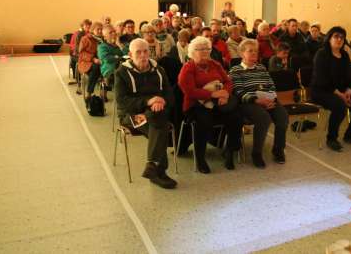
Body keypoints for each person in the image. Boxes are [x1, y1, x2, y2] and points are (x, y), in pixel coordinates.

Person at [114, 39, 177, 189]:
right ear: (130, 54)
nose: (143, 55)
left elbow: (170, 95)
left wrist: (160, 101)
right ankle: (158, 170)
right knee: (159, 126)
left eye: (146, 51)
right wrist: (149, 101)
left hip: (155, 113)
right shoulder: (121, 73)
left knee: (157, 118)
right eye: (138, 52)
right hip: (130, 116)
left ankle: (153, 168)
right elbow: (122, 101)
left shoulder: (159, 70)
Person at [177, 36, 242, 173]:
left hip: (218, 102)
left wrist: (225, 93)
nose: (205, 52)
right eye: (201, 49)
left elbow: (228, 82)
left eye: (207, 49)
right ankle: (200, 158)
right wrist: (212, 94)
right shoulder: (188, 68)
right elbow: (189, 91)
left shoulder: (215, 64)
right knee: (204, 120)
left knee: (236, 117)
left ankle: (229, 150)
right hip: (195, 105)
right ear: (192, 52)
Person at [229, 39, 288, 167]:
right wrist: (256, 100)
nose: (254, 54)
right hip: (248, 102)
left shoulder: (261, 68)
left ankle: (278, 150)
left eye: (256, 51)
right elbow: (238, 92)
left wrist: (272, 98)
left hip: (267, 99)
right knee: (264, 118)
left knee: (282, 116)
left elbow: (271, 85)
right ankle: (256, 153)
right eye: (250, 51)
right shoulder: (235, 70)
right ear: (242, 53)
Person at [311, 26, 351, 152]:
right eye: (336, 36)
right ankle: (331, 138)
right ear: (329, 38)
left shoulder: (344, 55)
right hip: (321, 91)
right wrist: (340, 95)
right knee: (340, 106)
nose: (339, 39)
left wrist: (348, 90)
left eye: (342, 37)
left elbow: (348, 76)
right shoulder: (322, 54)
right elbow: (322, 79)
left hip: (342, 89)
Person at [78, 21, 103, 104]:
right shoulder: (85, 39)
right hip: (86, 62)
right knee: (96, 68)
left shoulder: (103, 39)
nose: (100, 31)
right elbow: (81, 53)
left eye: (101, 29)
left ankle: (104, 91)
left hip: (101, 61)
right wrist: (93, 59)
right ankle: (89, 92)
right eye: (98, 29)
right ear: (92, 30)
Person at [97, 25, 123, 93]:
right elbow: (107, 59)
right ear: (105, 37)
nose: (114, 34)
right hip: (109, 68)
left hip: (121, 67)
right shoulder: (102, 47)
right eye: (110, 32)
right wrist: (119, 58)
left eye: (114, 31)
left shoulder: (120, 44)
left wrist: (119, 45)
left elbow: (127, 54)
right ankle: (106, 86)